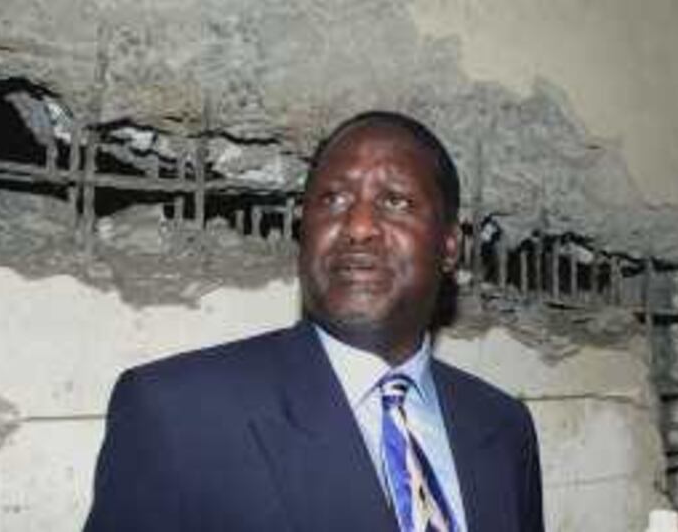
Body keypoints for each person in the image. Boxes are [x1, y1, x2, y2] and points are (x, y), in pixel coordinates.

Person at [84, 111, 544, 532]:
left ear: (448, 247)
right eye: (333, 198)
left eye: (396, 201)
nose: (358, 225)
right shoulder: (176, 416)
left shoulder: (503, 426)